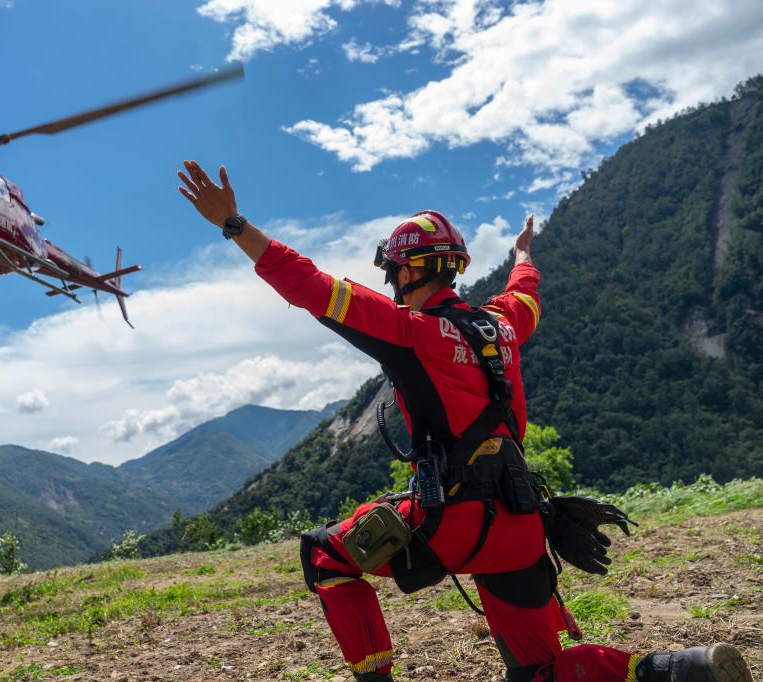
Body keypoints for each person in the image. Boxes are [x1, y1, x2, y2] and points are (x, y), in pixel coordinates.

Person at [176, 159, 751, 682]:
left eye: (391, 273)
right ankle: (679, 670)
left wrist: (233, 225)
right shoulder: (501, 327)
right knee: (539, 672)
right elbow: (523, 292)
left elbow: (308, 284)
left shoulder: (409, 330)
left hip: (452, 519)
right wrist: (524, 252)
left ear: (404, 271)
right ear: (452, 267)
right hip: (523, 522)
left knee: (326, 554)